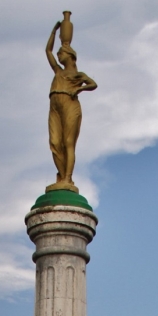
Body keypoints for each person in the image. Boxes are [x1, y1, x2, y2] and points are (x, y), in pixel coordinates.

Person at [45, 15, 97, 192]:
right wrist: (54, 31)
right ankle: (61, 176)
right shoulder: (57, 71)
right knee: (54, 142)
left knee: (68, 142)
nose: (59, 55)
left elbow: (93, 84)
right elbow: (48, 52)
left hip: (69, 104)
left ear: (71, 56)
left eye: (62, 53)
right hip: (55, 105)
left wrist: (79, 90)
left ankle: (68, 178)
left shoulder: (77, 75)